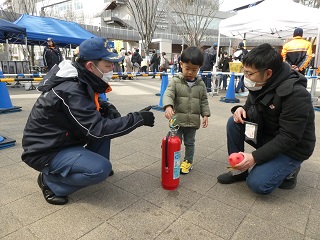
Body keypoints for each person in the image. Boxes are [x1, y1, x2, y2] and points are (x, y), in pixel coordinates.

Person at [21, 37, 155, 205]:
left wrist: (106, 107)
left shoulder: (82, 78)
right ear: (91, 66)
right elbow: (96, 129)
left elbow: (88, 105)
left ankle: (87, 164)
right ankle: (51, 183)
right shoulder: (70, 89)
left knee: (106, 121)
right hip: (45, 150)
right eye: (108, 65)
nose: (112, 68)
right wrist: (137, 119)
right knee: (100, 170)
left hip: (63, 140)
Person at [217, 43, 315, 195]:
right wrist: (240, 109)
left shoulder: (296, 94)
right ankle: (239, 170)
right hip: (269, 134)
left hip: (292, 147)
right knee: (233, 122)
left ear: (268, 73)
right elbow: (250, 106)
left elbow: (289, 137)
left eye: (250, 74)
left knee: (258, 184)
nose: (246, 78)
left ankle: (291, 168)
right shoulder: (260, 83)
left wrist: (254, 157)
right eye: (245, 72)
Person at [163, 46, 211, 174]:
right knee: (176, 142)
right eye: (187, 68)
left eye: (194, 70)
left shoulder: (200, 84)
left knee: (190, 143)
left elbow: (204, 101)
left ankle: (188, 162)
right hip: (177, 121)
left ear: (199, 68)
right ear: (181, 64)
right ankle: (174, 160)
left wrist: (205, 114)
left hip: (192, 121)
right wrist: (168, 106)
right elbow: (168, 94)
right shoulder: (175, 81)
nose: (190, 72)